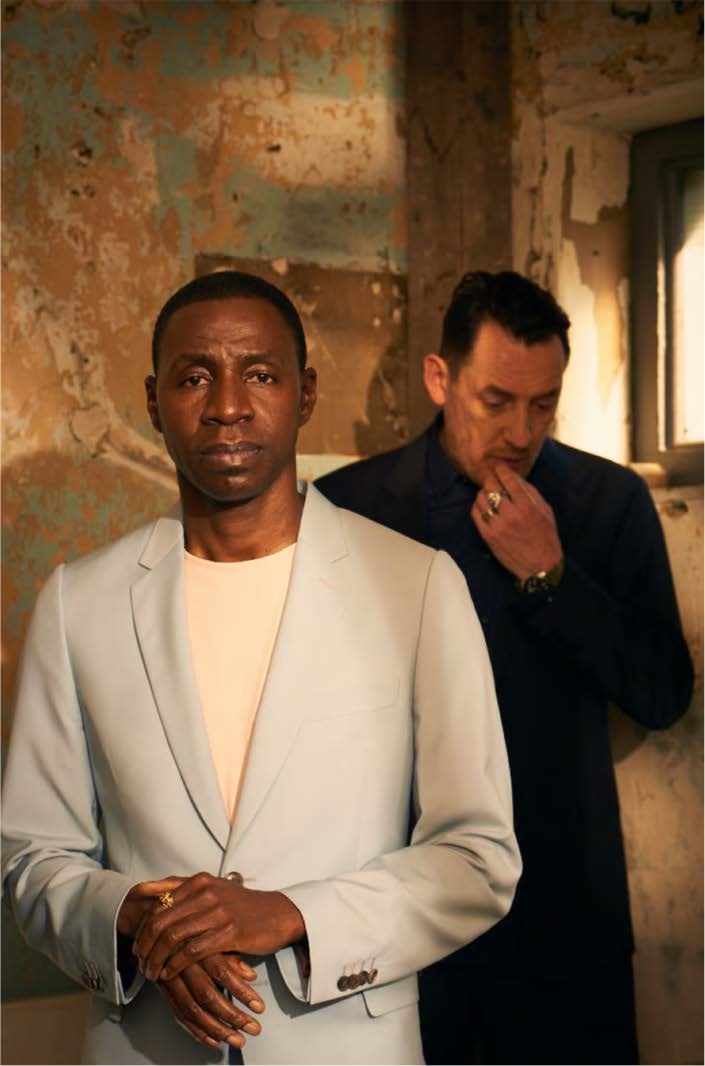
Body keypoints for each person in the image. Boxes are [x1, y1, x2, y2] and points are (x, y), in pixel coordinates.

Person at [2, 270, 521, 1066]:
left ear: (305, 393)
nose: (227, 406)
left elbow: (476, 858)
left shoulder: (415, 586)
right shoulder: (80, 602)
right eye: (193, 377)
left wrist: (290, 914)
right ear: (153, 402)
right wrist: (134, 918)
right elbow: (30, 857)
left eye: (260, 375)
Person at [316, 270, 694, 1066]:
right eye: (495, 401)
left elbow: (660, 694)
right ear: (438, 379)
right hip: (398, 912)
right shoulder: (348, 507)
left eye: (543, 404)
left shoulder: (609, 502)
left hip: (565, 915)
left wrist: (549, 575)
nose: (521, 431)